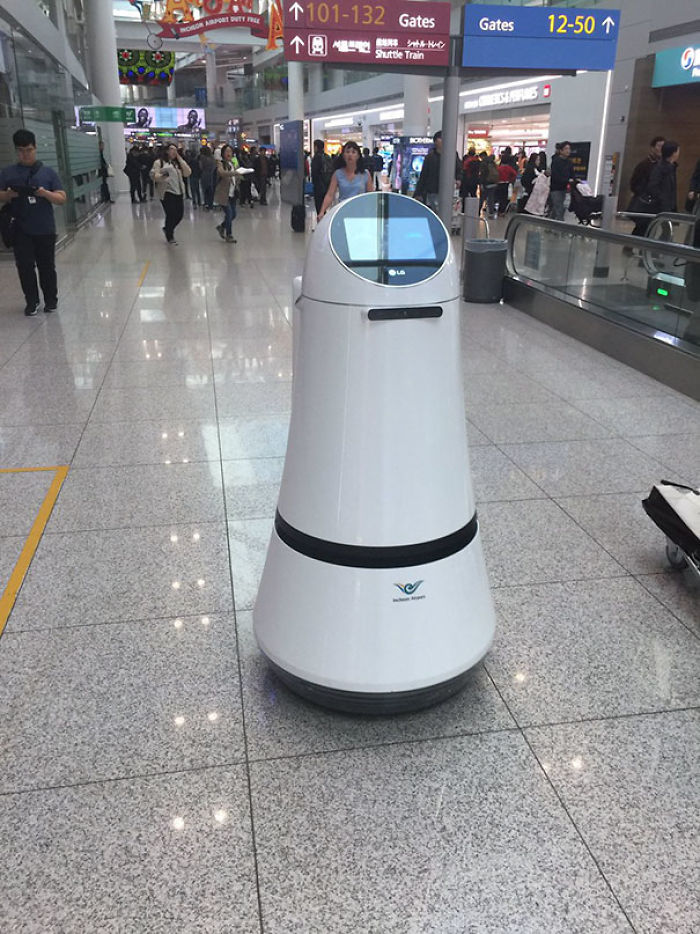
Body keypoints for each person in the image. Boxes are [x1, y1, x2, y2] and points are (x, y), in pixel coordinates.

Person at [0, 128, 66, 315]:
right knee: (25, 267)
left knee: (47, 267)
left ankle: (51, 300)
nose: (25, 154)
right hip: (20, 229)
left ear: (35, 148)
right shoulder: (8, 173)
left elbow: (62, 198)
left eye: (28, 150)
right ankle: (31, 301)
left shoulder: (47, 173)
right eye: (21, 150)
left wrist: (44, 193)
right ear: (16, 151)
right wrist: (8, 194)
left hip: (45, 228)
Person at [317, 140, 373, 218]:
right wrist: (322, 211)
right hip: (343, 212)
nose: (350, 155)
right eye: (347, 152)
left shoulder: (365, 174)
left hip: (361, 214)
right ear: (343, 155)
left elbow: (370, 196)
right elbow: (330, 195)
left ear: (358, 156)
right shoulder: (338, 174)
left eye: (353, 152)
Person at [151, 142, 191, 245]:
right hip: (167, 192)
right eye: (171, 149)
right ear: (166, 151)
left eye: (175, 150)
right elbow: (154, 175)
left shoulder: (177, 163)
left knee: (179, 215)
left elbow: (187, 173)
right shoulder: (159, 162)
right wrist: (162, 177)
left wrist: (180, 159)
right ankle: (170, 235)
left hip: (179, 191)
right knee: (171, 214)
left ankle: (167, 228)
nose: (174, 152)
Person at [413, 131, 460, 213]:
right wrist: (418, 193)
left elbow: (459, 169)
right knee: (433, 212)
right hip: (432, 190)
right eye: (441, 139)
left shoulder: (453, 155)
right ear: (436, 141)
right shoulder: (430, 157)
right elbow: (424, 175)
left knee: (447, 213)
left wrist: (459, 179)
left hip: (448, 190)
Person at [628, 135, 664, 236]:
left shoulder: (663, 165)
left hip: (656, 203)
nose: (661, 149)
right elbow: (634, 183)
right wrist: (644, 194)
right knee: (642, 227)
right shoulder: (644, 164)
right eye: (659, 146)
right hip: (645, 202)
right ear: (652, 147)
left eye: (663, 146)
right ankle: (631, 246)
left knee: (649, 228)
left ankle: (638, 248)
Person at [647, 140, 680, 215]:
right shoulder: (659, 168)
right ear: (673, 153)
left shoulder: (672, 167)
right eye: (678, 151)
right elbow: (653, 187)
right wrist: (662, 200)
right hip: (660, 207)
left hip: (669, 206)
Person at [214, 143, 238, 243]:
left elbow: (236, 177)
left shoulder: (233, 163)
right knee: (229, 214)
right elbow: (222, 173)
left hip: (232, 193)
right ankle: (229, 235)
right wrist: (235, 173)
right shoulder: (220, 163)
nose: (229, 153)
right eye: (226, 151)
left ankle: (221, 227)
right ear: (223, 153)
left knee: (233, 214)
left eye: (230, 151)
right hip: (223, 193)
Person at [549, 141, 575, 221]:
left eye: (569, 149)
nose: (568, 151)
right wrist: (567, 180)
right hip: (556, 189)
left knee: (556, 209)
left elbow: (572, 174)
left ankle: (548, 226)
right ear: (561, 150)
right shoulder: (556, 162)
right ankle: (561, 230)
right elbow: (556, 176)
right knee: (559, 209)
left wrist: (574, 180)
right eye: (566, 149)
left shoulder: (569, 162)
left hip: (565, 189)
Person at [310, 138, 332, 217]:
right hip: (326, 185)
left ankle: (321, 225)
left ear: (316, 147)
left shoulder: (316, 157)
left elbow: (315, 173)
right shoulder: (327, 156)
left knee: (319, 208)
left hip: (319, 186)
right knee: (324, 207)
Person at [199, 145, 216, 210]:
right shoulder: (212, 157)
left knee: (205, 190)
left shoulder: (202, 157)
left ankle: (206, 203)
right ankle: (210, 204)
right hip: (211, 174)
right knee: (211, 190)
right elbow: (214, 166)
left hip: (204, 174)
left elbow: (201, 166)